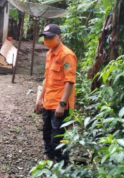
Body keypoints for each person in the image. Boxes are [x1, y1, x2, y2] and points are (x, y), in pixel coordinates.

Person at [35, 24, 77, 163]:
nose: (47, 39)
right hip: (48, 101)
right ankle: (49, 157)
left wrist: (62, 104)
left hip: (60, 103)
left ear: (59, 37)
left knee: (58, 136)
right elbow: (48, 78)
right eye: (45, 37)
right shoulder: (49, 54)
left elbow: (69, 82)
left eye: (50, 37)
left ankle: (61, 164)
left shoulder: (67, 55)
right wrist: (40, 98)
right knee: (46, 132)